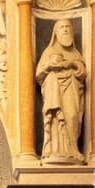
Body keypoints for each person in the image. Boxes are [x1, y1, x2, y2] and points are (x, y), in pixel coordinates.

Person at [36, 19, 86, 163]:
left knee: (71, 116)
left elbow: (83, 73)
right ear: (55, 33)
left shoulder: (76, 54)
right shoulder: (49, 51)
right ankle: (53, 150)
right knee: (56, 118)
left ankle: (73, 150)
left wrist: (72, 64)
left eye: (67, 27)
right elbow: (38, 75)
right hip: (54, 92)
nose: (65, 30)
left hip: (71, 91)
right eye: (62, 28)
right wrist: (49, 67)